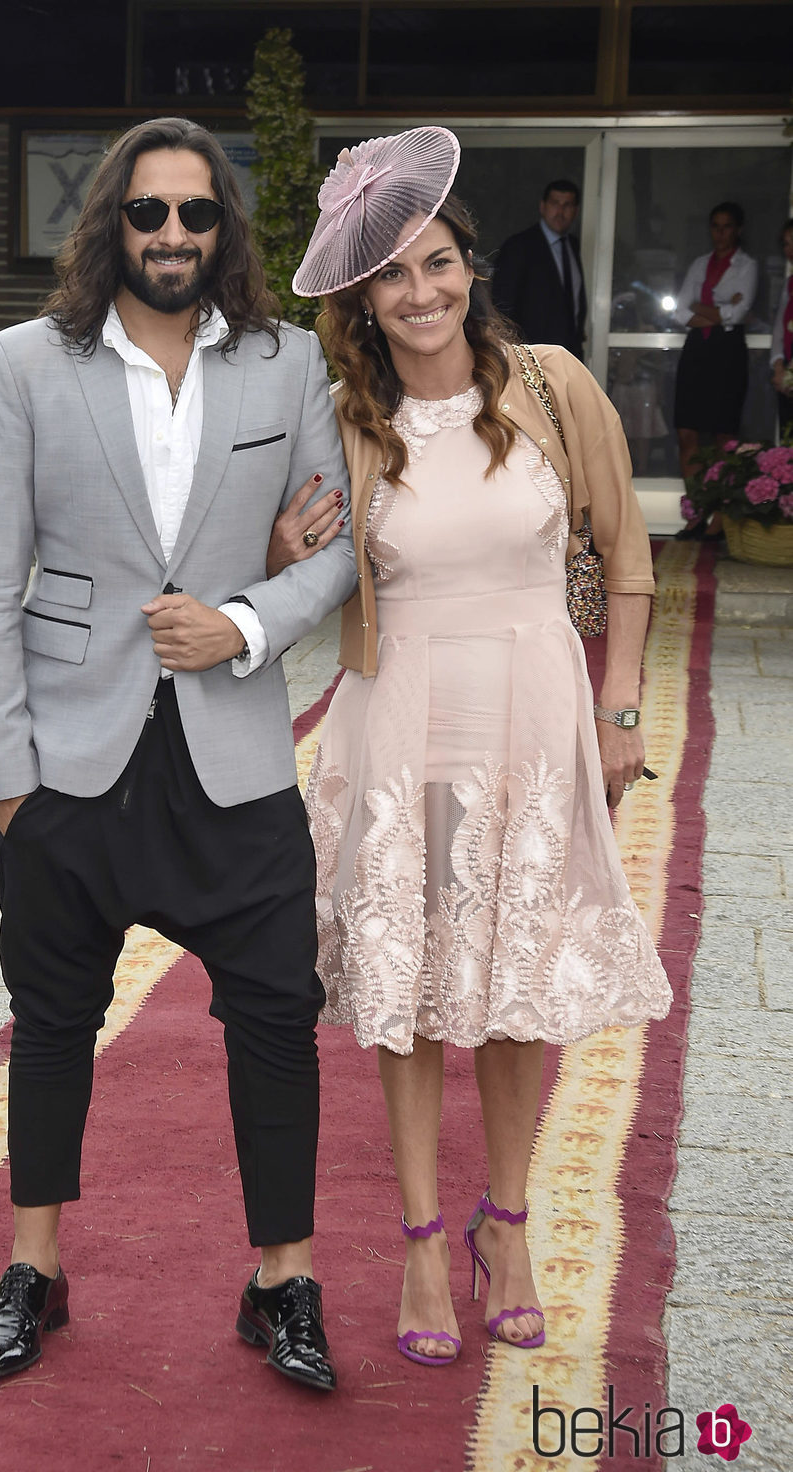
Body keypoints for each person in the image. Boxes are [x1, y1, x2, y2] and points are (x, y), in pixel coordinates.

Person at [0, 116, 356, 1391]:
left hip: (233, 757)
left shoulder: (289, 366)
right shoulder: (24, 362)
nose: (171, 234)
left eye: (193, 213)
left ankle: (280, 1279)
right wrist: (6, 783)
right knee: (53, 1020)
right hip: (68, 766)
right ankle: (35, 1266)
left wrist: (242, 616)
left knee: (279, 1017)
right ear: (108, 225)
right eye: (146, 213)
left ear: (222, 228)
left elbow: (342, 546)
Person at [275, 127, 671, 1364]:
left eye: (437, 263)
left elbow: (627, 556)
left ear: (468, 266)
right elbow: (300, 562)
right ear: (362, 300)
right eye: (391, 276)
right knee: (408, 993)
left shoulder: (549, 384)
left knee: (510, 987)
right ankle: (417, 1238)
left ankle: (506, 1224)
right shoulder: (342, 417)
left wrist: (616, 711)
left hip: (534, 717)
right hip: (399, 721)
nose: (422, 292)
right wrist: (286, 553)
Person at [672, 201, 758, 529]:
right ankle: (695, 514)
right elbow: (681, 310)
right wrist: (720, 310)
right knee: (687, 431)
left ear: (737, 230)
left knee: (724, 435)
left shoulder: (747, 266)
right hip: (697, 350)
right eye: (715, 226)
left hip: (727, 354)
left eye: (726, 226)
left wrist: (702, 306)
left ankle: (720, 518)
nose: (719, 233)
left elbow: (738, 315)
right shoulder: (699, 263)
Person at [491, 179, 587, 358]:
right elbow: (502, 306)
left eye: (567, 205)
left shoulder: (573, 246)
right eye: (555, 204)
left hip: (570, 357)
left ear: (576, 211)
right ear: (542, 207)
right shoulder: (519, 247)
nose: (560, 212)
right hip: (531, 357)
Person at [769, 217, 793, 437]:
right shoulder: (789, 283)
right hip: (786, 370)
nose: (790, 249)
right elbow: (779, 327)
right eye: (786, 244)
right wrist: (779, 366)